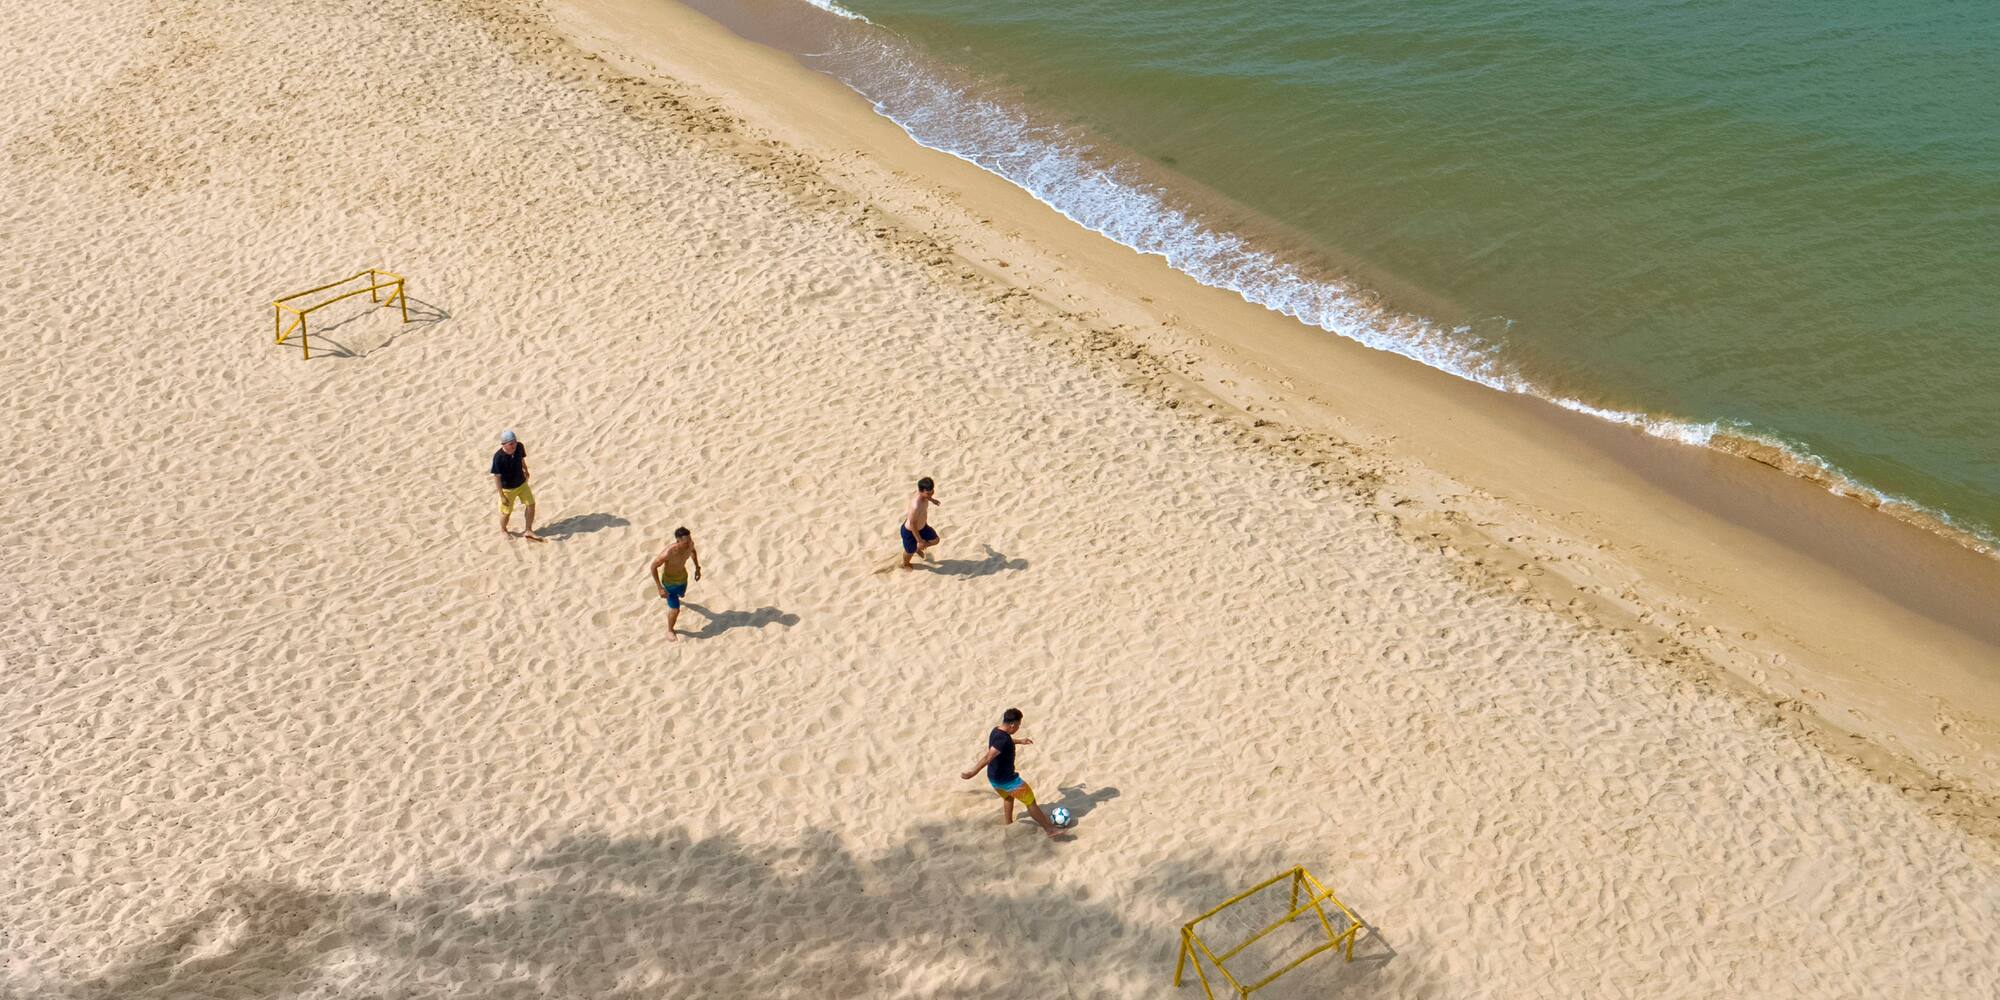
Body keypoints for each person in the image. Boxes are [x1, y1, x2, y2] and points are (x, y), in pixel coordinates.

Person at [960, 707, 1065, 838]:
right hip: (1009, 781)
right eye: (1018, 725)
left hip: (994, 779)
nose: (1018, 728)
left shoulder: (996, 731)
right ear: (1012, 724)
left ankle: (1008, 823)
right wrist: (972, 773)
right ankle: (1050, 830)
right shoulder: (1003, 740)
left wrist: (1020, 741)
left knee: (1008, 798)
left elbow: (1004, 742)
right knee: (1030, 802)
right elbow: (988, 757)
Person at [648, 527, 703, 642]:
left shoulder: (690, 544)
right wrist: (659, 588)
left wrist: (697, 568)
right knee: (675, 609)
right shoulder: (668, 553)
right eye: (685, 542)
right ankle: (670, 630)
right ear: (678, 541)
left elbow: (693, 551)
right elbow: (653, 566)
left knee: (681, 595)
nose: (689, 544)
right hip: (669, 583)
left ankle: (678, 598)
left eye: (690, 540)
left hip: (683, 578)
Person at [491, 429, 540, 540]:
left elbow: (521, 459)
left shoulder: (519, 447)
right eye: (511, 443)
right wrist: (502, 495)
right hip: (508, 489)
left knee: (531, 505)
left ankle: (528, 530)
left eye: (515, 441)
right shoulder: (498, 457)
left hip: (522, 484)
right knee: (506, 513)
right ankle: (503, 530)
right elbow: (497, 477)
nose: (514, 445)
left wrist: (526, 470)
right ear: (504, 444)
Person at [900, 476, 942, 569]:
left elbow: (928, 496)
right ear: (921, 491)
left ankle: (917, 548)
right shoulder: (916, 505)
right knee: (909, 552)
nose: (930, 494)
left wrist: (932, 500)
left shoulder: (926, 496)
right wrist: (920, 541)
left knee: (936, 540)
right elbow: (912, 524)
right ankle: (905, 564)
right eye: (928, 493)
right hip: (910, 532)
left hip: (923, 527)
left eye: (932, 492)